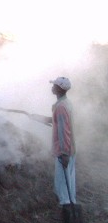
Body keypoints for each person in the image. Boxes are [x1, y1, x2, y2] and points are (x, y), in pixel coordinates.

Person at [30, 77, 76, 215]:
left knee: (62, 183)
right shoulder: (65, 104)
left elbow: (63, 132)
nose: (52, 87)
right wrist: (38, 118)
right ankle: (70, 204)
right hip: (70, 148)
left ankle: (66, 210)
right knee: (69, 181)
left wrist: (64, 153)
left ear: (59, 89)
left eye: (54, 85)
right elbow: (57, 122)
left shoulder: (61, 107)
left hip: (64, 150)